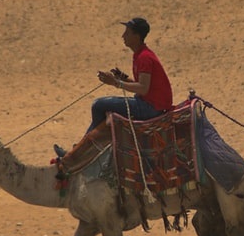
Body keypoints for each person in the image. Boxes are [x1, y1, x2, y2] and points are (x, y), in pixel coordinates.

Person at [54, 17, 173, 160]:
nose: (123, 36)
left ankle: (80, 151)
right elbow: (143, 85)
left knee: (99, 105)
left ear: (137, 36)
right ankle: (84, 147)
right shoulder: (140, 55)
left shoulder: (144, 58)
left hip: (150, 107)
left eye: (127, 33)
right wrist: (122, 78)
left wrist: (116, 83)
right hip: (148, 103)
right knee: (102, 106)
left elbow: (143, 88)